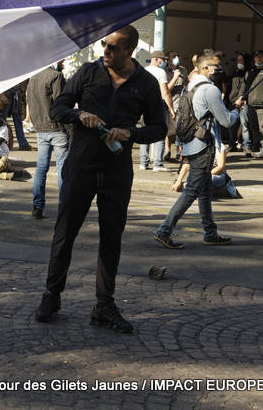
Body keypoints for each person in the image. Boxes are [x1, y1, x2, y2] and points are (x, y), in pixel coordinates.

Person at [33, 25, 166, 333]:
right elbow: (58, 108)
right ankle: (51, 295)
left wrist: (130, 133)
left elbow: (159, 128)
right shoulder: (88, 72)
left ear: (130, 51)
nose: (105, 51)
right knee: (65, 232)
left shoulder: (146, 83)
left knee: (111, 237)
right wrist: (79, 115)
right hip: (81, 165)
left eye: (112, 47)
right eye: (104, 44)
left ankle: (104, 306)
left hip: (117, 170)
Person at [155, 52, 238, 250]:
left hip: (191, 144)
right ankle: (164, 231)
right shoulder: (210, 89)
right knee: (192, 190)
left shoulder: (191, 85)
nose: (220, 69)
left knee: (204, 191)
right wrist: (236, 110)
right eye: (216, 66)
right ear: (205, 68)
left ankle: (210, 233)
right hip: (203, 147)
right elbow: (226, 120)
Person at [26, 60, 68, 219]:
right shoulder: (56, 76)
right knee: (62, 168)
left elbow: (30, 102)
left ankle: (37, 206)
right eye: (62, 59)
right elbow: (62, 104)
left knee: (41, 168)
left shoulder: (33, 77)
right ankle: (63, 207)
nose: (63, 62)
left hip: (41, 128)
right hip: (57, 128)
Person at [139, 50, 175, 172]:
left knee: (144, 132)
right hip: (158, 105)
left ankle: (143, 163)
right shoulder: (161, 72)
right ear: (155, 59)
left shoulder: (143, 71)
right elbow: (165, 92)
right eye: (162, 60)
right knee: (160, 133)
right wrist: (171, 109)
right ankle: (158, 164)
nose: (164, 62)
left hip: (144, 105)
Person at [245, 50, 263, 158]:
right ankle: (256, 147)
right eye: (256, 57)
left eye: (261, 56)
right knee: (253, 127)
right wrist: (242, 98)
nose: (258, 58)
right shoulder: (250, 71)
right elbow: (245, 86)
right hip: (250, 104)